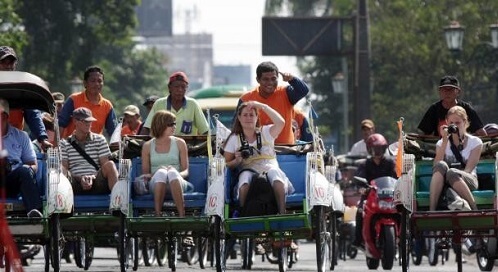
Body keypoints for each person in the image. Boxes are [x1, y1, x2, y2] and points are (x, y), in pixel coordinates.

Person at [223, 101, 293, 215]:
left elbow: (281, 122)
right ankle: (243, 212)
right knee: (244, 179)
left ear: (256, 118)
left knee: (275, 174)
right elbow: (225, 164)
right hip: (248, 169)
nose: (248, 118)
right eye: (245, 115)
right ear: (239, 118)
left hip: (269, 167)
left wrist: (261, 106)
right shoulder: (234, 138)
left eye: (252, 115)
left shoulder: (265, 132)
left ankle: (282, 212)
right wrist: (237, 161)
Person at [238, 61, 309, 145]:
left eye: (273, 79)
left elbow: (304, 90)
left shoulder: (286, 93)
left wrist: (292, 79)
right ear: (258, 80)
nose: (270, 83)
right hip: (258, 151)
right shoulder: (246, 99)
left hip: (285, 150)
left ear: (278, 78)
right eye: (265, 79)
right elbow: (237, 126)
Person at [429, 106, 482, 212]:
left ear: (465, 122)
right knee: (440, 165)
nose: (455, 126)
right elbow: (436, 166)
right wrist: (444, 140)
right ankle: (432, 210)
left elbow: (468, 170)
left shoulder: (475, 142)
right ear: (447, 123)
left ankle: (474, 208)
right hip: (446, 181)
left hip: (468, 180)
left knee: (452, 172)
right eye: (451, 123)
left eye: (457, 123)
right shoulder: (441, 143)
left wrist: (453, 173)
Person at [0, 45, 52, 150]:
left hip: (15, 142)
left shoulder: (22, 87)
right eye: (3, 62)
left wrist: (42, 138)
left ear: (15, 64)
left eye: (11, 62)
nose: (8, 66)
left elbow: (33, 115)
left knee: (29, 166)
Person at [141, 110, 189, 217]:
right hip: (156, 182)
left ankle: (182, 215)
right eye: (170, 124)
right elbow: (145, 175)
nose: (174, 127)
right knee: (162, 173)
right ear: (161, 125)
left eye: (175, 123)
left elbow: (186, 171)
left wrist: (175, 172)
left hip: (177, 181)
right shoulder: (147, 146)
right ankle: (157, 214)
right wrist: (158, 172)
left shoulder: (180, 143)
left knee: (171, 173)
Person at [61, 107, 118, 195]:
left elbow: (105, 164)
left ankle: (117, 200)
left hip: (96, 181)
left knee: (110, 164)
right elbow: (64, 168)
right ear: (75, 121)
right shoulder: (64, 143)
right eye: (85, 121)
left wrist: (92, 177)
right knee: (59, 169)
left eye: (90, 121)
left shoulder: (100, 139)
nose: (89, 124)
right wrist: (80, 178)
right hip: (75, 183)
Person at [352, 133, 396, 248]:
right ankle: (359, 240)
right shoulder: (365, 164)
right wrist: (362, 189)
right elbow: (358, 180)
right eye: (374, 149)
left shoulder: (391, 163)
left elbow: (397, 178)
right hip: (370, 197)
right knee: (360, 211)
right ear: (369, 149)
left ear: (384, 149)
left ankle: (406, 237)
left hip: (389, 197)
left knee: (402, 210)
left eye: (380, 149)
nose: (377, 152)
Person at [0, 99, 42, 217]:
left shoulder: (21, 136)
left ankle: (34, 211)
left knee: (24, 170)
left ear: (5, 116)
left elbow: (33, 165)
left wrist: (23, 169)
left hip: (12, 181)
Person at [140, 72, 208, 136]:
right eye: (176, 86)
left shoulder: (193, 104)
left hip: (188, 147)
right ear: (169, 88)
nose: (180, 90)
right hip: (163, 146)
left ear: (186, 89)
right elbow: (147, 128)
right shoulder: (159, 104)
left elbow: (205, 130)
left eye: (183, 87)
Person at [58, 66, 117, 139]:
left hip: (95, 147)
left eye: (99, 81)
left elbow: (114, 132)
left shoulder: (107, 106)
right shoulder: (73, 100)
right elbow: (61, 125)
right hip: (72, 147)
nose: (97, 84)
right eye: (93, 81)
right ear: (85, 83)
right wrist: (56, 147)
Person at [418, 75, 486, 137]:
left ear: (458, 92)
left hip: (463, 149)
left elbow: (481, 133)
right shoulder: (434, 109)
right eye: (444, 89)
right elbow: (423, 135)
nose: (447, 92)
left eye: (451, 89)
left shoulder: (466, 108)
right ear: (440, 91)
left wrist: (466, 139)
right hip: (441, 148)